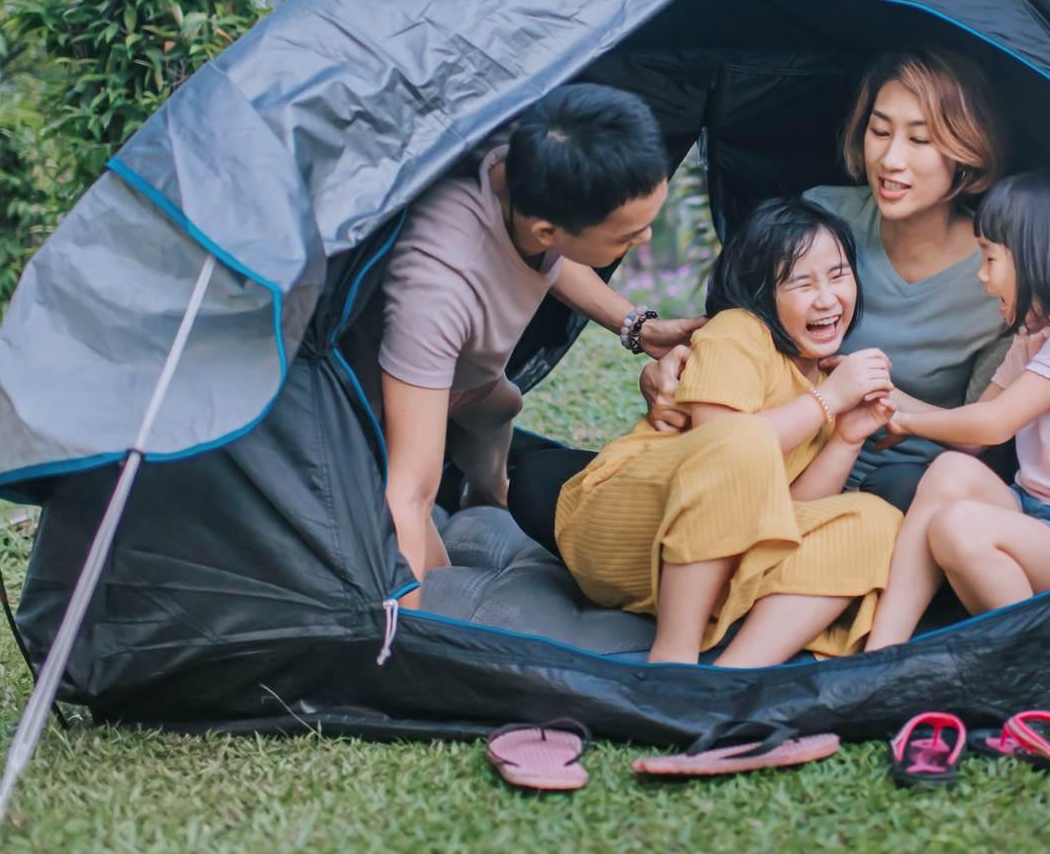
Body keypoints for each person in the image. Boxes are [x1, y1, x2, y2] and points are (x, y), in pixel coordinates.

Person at [639, 50, 1010, 511]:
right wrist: (675, 369)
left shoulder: (999, 275)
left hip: (907, 485)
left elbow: (983, 434)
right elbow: (742, 336)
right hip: (783, 456)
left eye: (920, 139)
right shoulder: (825, 216)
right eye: (879, 131)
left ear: (967, 149)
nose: (891, 159)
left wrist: (878, 396)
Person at [379, 84, 702, 607]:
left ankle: (485, 495)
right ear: (548, 229)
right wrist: (415, 647)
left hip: (479, 383)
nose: (643, 241)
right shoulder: (436, 287)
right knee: (434, 573)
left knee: (503, 402)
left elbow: (557, 260)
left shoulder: (531, 164)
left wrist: (640, 327)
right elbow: (407, 493)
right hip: (395, 399)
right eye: (626, 237)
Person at [553, 198, 906, 666]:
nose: (827, 298)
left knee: (876, 520)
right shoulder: (737, 332)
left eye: (838, 276)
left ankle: (733, 678)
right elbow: (726, 445)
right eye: (801, 282)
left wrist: (847, 435)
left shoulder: (823, 381)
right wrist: (828, 402)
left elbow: (788, 510)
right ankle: (673, 661)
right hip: (624, 528)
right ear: (759, 290)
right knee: (743, 438)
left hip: (710, 562)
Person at [863, 172, 1050, 651]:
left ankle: (1037, 669)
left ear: (1037, 257)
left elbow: (994, 426)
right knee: (952, 469)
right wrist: (882, 396)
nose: (981, 274)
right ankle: (881, 652)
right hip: (1035, 517)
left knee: (959, 526)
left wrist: (909, 422)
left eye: (990, 256)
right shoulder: (1036, 335)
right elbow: (971, 434)